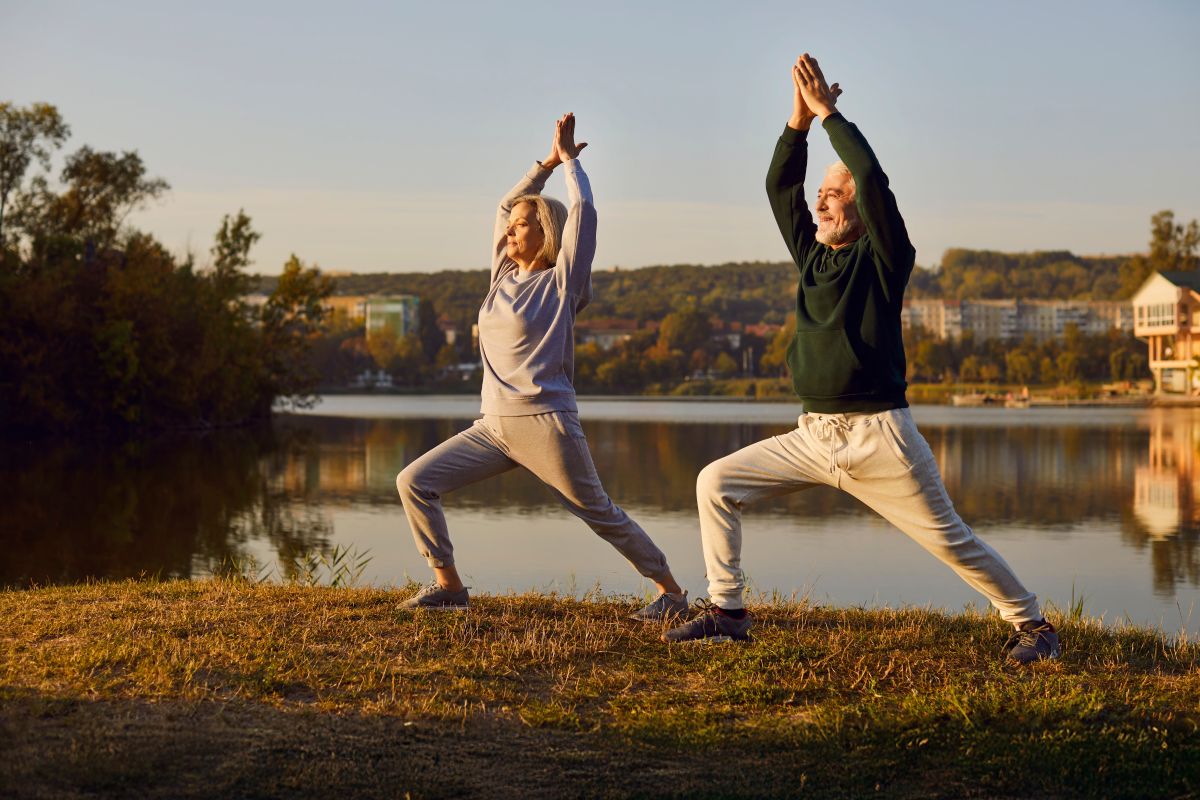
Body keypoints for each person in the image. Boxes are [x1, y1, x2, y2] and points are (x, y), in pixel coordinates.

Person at [662, 56, 1059, 664]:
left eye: (833, 195)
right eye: (819, 194)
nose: (820, 204)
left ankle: (1032, 624)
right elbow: (779, 188)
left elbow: (872, 179)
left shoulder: (884, 259)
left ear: (858, 208)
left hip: (880, 438)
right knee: (714, 482)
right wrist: (795, 124)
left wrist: (829, 115)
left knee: (951, 540)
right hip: (813, 435)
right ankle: (729, 611)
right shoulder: (812, 258)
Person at [396, 113, 687, 621]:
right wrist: (544, 163)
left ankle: (673, 593)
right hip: (492, 426)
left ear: (546, 230)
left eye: (523, 225)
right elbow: (505, 205)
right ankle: (449, 586)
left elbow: (585, 211)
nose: (511, 229)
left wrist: (571, 163)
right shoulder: (501, 275)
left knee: (600, 514)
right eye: (511, 227)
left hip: (545, 424)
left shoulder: (562, 283)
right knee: (414, 482)